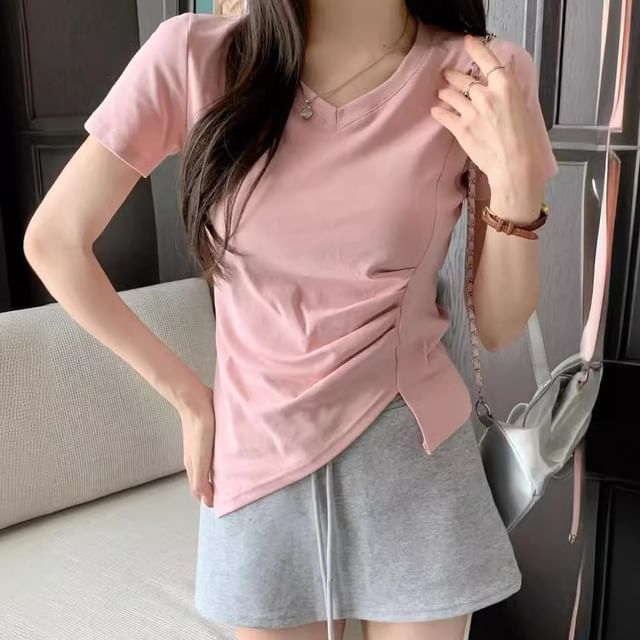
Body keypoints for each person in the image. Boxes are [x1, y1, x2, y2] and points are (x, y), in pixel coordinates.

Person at [23, 1, 559, 639]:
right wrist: (190, 399)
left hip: (415, 462)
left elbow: (498, 326)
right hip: (257, 467)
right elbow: (55, 242)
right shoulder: (195, 57)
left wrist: (518, 185)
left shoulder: (481, 73)